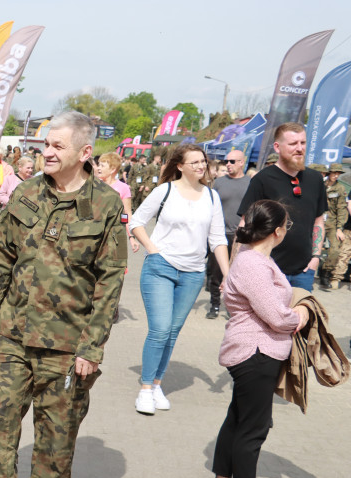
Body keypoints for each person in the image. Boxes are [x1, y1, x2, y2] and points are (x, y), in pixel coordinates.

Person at [0, 111, 127, 478]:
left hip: (68, 343)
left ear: (85, 153)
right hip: (13, 334)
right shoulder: (26, 194)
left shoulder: (104, 205)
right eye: (45, 145)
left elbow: (110, 283)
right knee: (1, 416)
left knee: (57, 427)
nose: (46, 152)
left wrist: (92, 347)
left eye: (57, 146)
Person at [208, 200, 309, 478]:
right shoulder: (253, 263)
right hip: (256, 351)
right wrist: (303, 315)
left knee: (239, 418)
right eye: (288, 225)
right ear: (277, 230)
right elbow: (277, 317)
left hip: (255, 350)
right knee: (254, 428)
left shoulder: (254, 259)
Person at [129, 144, 229, 415]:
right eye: (194, 161)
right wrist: (152, 249)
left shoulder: (211, 197)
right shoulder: (166, 190)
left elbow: (218, 239)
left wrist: (228, 274)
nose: (200, 166)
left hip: (193, 274)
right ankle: (146, 389)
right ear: (180, 166)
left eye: (203, 161)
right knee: (160, 329)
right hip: (161, 268)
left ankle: (158, 383)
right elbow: (136, 221)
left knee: (172, 333)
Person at [237, 123, 326, 292]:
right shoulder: (262, 180)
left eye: (303, 143)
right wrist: (236, 266)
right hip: (268, 269)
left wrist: (316, 257)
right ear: (277, 147)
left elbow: (318, 221)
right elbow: (245, 224)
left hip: (304, 272)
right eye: (293, 144)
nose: (299, 148)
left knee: (301, 318)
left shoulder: (315, 179)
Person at [205, 149, 250, 318]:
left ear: (241, 162)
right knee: (216, 271)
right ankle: (215, 305)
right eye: (226, 162)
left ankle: (234, 307)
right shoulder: (219, 183)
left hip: (242, 236)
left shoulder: (250, 183)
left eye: (232, 161)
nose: (228, 165)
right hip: (220, 235)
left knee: (239, 273)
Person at [318, 163, 349, 291]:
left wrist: (339, 228)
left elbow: (342, 209)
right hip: (318, 221)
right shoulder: (320, 185)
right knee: (311, 248)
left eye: (338, 173)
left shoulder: (340, 189)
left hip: (332, 223)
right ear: (329, 173)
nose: (335, 175)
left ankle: (325, 271)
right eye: (334, 173)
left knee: (335, 250)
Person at [95, 151, 133, 219]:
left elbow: (126, 213)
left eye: (102, 166)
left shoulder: (123, 188)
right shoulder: (94, 185)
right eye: (98, 165)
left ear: (112, 169)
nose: (98, 168)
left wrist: (127, 228)